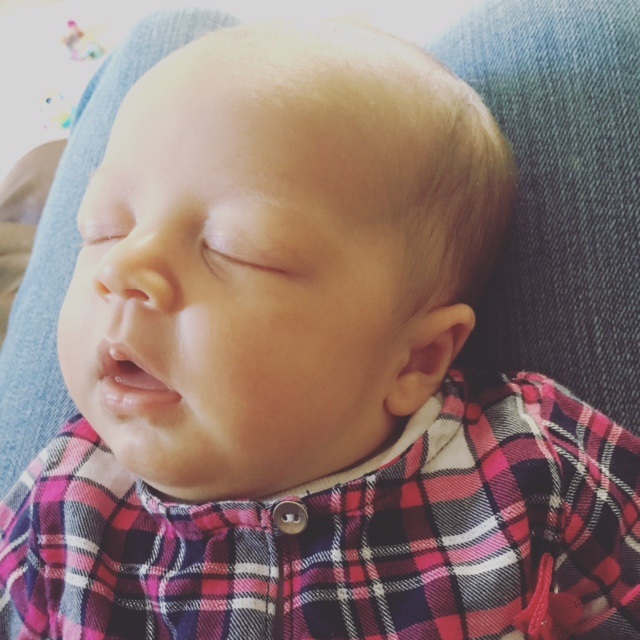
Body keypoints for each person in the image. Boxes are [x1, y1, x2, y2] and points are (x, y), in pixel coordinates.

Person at [0, 17, 638, 640]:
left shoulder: (529, 468)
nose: (120, 268)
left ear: (415, 359)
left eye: (237, 248)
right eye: (103, 228)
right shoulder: (60, 504)